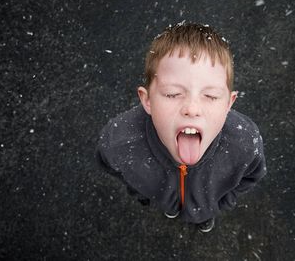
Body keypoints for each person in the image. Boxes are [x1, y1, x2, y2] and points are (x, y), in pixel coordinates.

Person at [95, 22, 266, 233]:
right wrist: (144, 195)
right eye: (172, 94)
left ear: (228, 104)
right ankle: (172, 208)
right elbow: (112, 166)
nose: (192, 109)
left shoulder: (245, 142)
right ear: (147, 100)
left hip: (207, 207)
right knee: (171, 207)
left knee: (203, 215)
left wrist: (220, 203)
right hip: (162, 200)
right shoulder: (119, 141)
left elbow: (252, 175)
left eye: (211, 96)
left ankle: (203, 217)